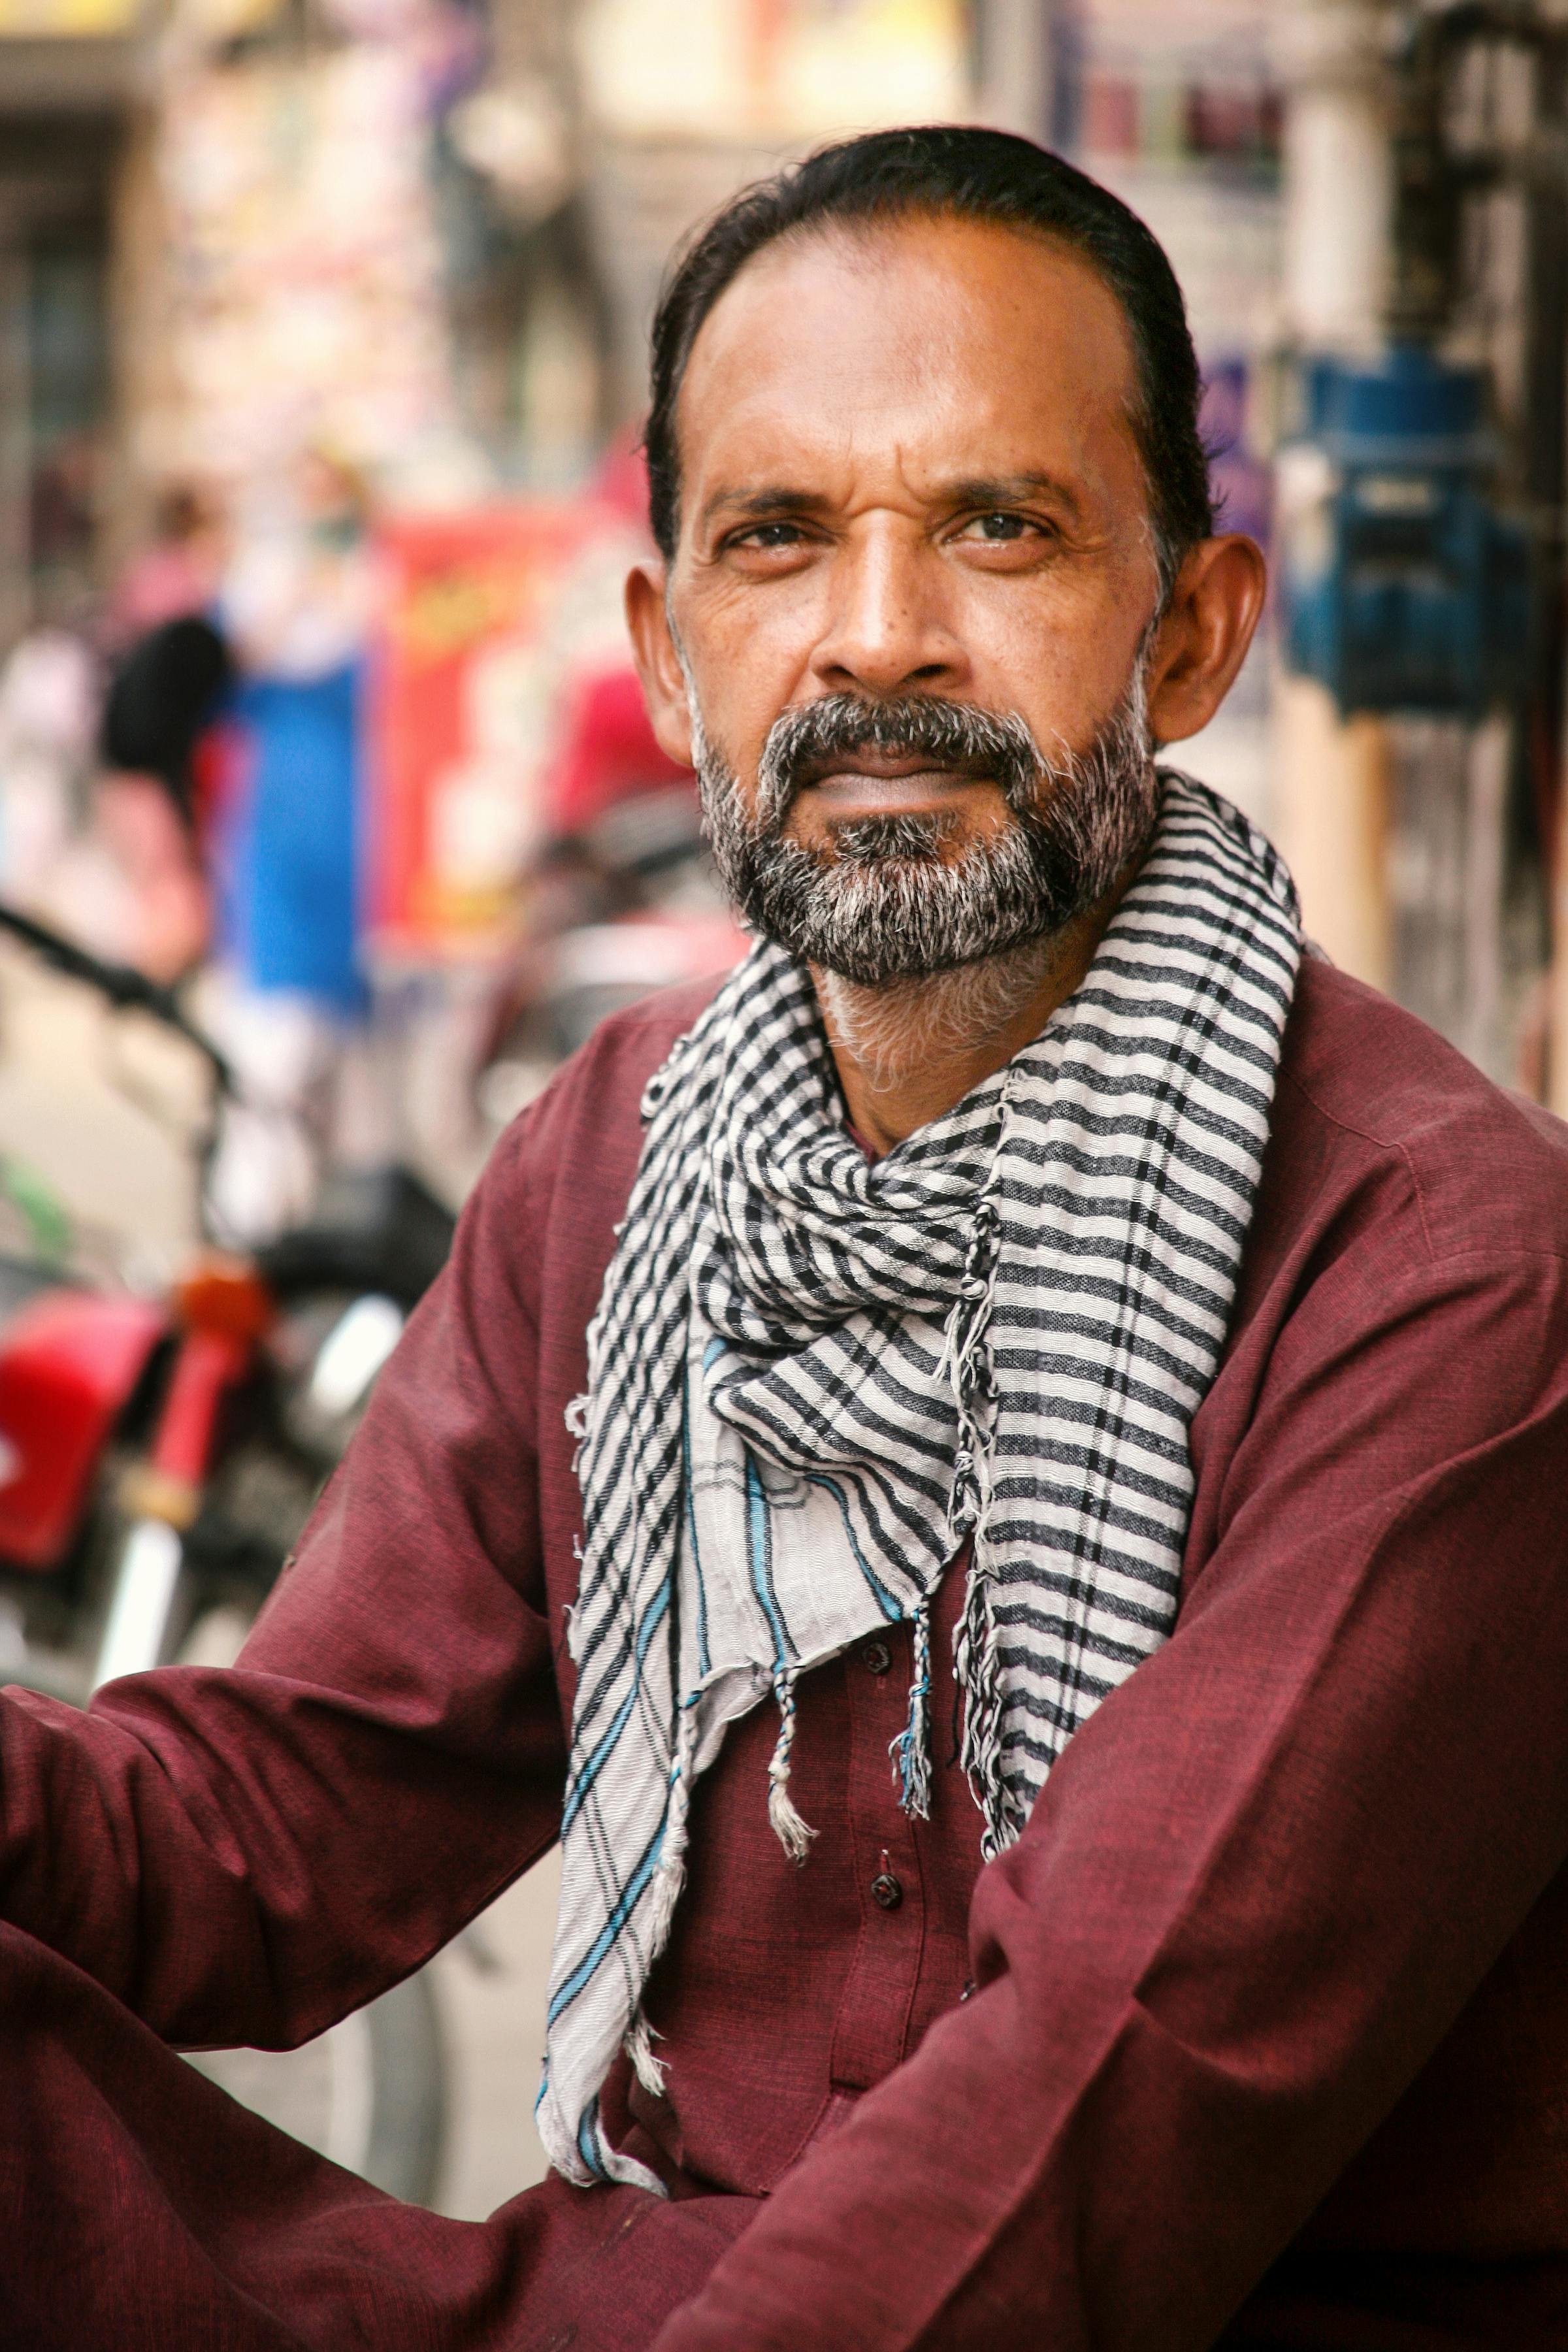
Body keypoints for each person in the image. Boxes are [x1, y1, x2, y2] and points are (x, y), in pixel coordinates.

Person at [4, 125, 1568, 2351]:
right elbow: (277, 1825)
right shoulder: (618, 1154)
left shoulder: (1452, 1270)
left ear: (1196, 632)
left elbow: (1103, 2099)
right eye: (777, 540)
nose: (875, 639)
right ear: (668, 656)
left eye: (1002, 529)